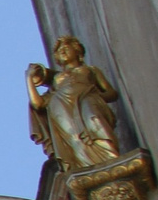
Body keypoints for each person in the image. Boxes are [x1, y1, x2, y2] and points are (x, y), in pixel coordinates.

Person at [26, 35, 126, 174]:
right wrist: (29, 78)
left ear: (77, 51)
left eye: (66, 48)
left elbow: (111, 93)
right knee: (75, 139)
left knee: (94, 121)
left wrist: (95, 96)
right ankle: (86, 169)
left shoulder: (91, 70)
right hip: (60, 107)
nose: (63, 51)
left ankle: (110, 160)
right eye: (59, 50)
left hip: (87, 100)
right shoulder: (56, 78)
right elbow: (38, 104)